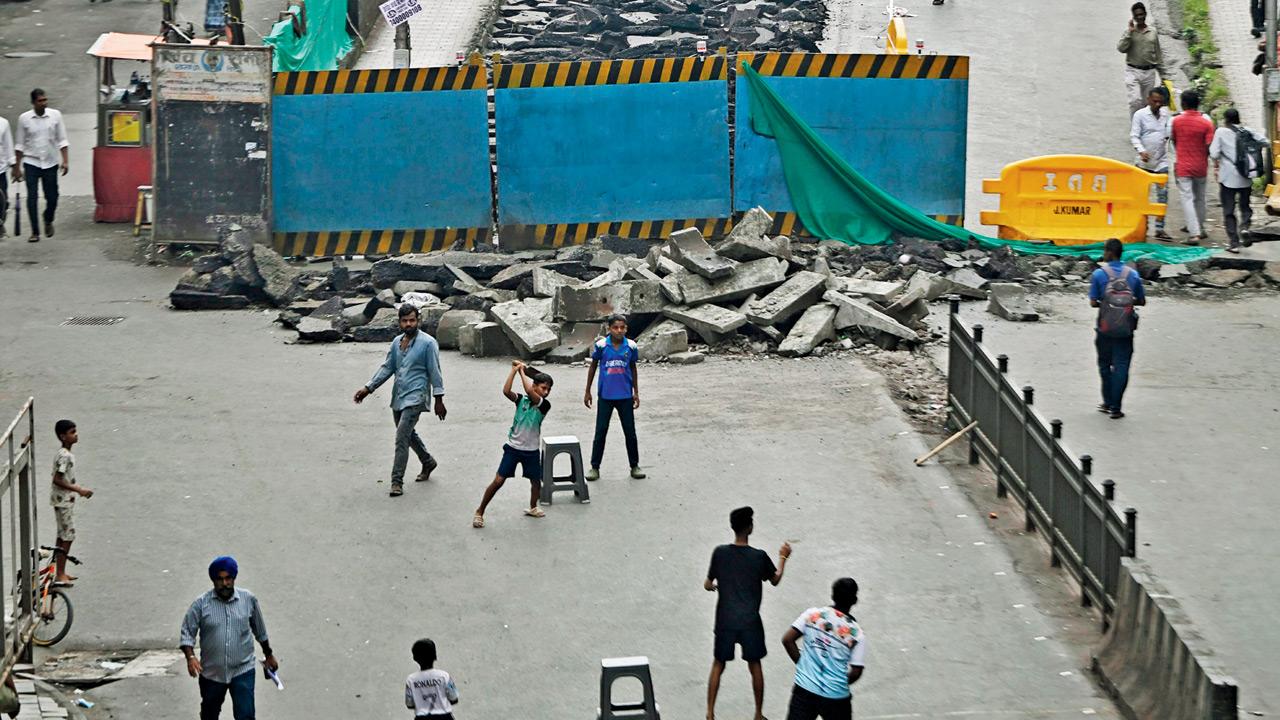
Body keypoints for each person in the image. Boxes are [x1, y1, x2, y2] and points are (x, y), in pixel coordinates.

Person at [705, 506, 792, 720]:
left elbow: (708, 584)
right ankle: (758, 714)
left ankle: (709, 713)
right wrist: (783, 557)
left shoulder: (720, 553)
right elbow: (775, 579)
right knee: (755, 665)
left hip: (725, 619)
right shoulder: (759, 557)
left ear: (732, 527)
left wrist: (716, 587)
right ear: (750, 528)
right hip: (750, 621)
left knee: (718, 664)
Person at [354, 304, 447, 497]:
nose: (408, 324)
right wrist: (368, 388)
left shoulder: (428, 343)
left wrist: (439, 399)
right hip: (399, 396)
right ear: (399, 322)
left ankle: (396, 482)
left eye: (412, 320)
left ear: (418, 321)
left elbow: (435, 371)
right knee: (407, 434)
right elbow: (388, 367)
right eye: (404, 321)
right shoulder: (397, 342)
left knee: (401, 438)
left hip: (416, 396)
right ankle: (428, 461)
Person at [180, 556, 279, 720]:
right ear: (213, 581)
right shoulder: (200, 604)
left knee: (245, 716)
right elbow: (186, 633)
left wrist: (268, 654)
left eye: (228, 578)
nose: (224, 583)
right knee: (209, 714)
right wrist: (190, 657)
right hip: (212, 673)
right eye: (220, 579)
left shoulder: (248, 600)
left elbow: (260, 630)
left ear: (234, 578)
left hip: (242, 670)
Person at [472, 362, 553, 528]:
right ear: (535, 385)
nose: (546, 392)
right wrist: (514, 371)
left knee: (536, 483)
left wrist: (521, 370)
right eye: (543, 388)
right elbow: (506, 391)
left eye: (548, 389)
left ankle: (532, 507)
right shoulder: (521, 400)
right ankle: (480, 511)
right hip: (513, 448)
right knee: (498, 481)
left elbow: (530, 391)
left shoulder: (544, 404)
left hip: (531, 451)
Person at [781, 578, 866, 720]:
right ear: (855, 600)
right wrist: (837, 682)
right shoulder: (856, 633)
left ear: (832, 596)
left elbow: (788, 640)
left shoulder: (813, 615)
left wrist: (803, 666)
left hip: (805, 689)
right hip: (836, 697)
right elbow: (856, 672)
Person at [1089, 239, 1146, 420]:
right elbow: (1142, 301)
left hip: (1105, 328)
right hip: (1125, 330)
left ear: (1109, 253)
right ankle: (1116, 407)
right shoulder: (1133, 275)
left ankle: (1107, 401)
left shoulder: (1099, 275)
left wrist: (1107, 303)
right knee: (1121, 366)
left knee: (1105, 365)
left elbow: (1092, 302)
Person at [584, 314, 644, 481]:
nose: (619, 331)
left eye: (622, 327)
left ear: (626, 329)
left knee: (630, 432)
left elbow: (633, 369)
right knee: (600, 432)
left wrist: (636, 392)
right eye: (615, 327)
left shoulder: (631, 346)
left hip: (625, 395)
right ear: (609, 329)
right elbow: (593, 366)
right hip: (606, 396)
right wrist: (587, 391)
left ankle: (634, 465)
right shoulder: (602, 345)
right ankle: (594, 467)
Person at [13, 89, 68, 243]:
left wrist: (65, 160)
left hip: (50, 163)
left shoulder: (55, 115)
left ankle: (48, 218)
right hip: (31, 162)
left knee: (53, 197)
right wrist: (16, 168)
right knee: (32, 197)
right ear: (33, 103)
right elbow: (19, 144)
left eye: (45, 100)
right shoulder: (24, 119)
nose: (44, 103)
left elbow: (62, 140)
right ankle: (35, 232)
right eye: (40, 101)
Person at [1210, 107, 1266, 252]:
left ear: (1226, 119)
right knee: (1245, 206)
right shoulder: (1246, 130)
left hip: (1227, 178)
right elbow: (1265, 142)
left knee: (1229, 210)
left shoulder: (1221, 132)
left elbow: (1214, 154)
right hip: (1246, 176)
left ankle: (1234, 243)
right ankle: (1245, 227)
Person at [1169, 90, 1216, 244]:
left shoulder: (1176, 121)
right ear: (1198, 104)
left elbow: (1174, 141)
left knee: (1187, 198)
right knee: (1200, 198)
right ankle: (1200, 228)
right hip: (1201, 165)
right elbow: (1209, 145)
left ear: (1183, 104)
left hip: (1183, 166)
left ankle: (1194, 233)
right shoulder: (1207, 123)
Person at [50, 420, 92, 585]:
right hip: (63, 502)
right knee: (68, 536)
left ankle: (58, 571)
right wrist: (78, 489)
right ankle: (60, 573)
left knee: (62, 535)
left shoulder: (66, 454)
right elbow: (57, 479)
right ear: (63, 436)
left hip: (64, 501)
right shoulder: (64, 456)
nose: (76, 435)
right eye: (72, 432)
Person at [1131, 86, 1172, 240]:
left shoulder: (1166, 115)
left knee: (1163, 195)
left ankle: (1160, 228)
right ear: (1148, 100)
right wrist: (1141, 150)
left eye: (1160, 102)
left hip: (1161, 161)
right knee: (1142, 196)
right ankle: (1142, 225)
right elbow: (1134, 136)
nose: (1157, 105)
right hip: (1143, 163)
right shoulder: (1140, 115)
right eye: (1154, 101)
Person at [1118, 3, 1167, 116]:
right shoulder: (1130, 32)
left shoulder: (1153, 32)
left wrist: (1163, 75)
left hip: (1149, 72)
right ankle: (1136, 125)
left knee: (1146, 102)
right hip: (1133, 71)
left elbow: (1158, 53)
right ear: (1133, 17)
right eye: (1136, 15)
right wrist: (1129, 33)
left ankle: (1144, 126)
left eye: (1141, 14)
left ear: (1145, 14)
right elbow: (1121, 48)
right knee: (1135, 101)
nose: (1139, 17)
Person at [405, 638, 460, 719]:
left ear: (415, 658)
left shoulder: (411, 680)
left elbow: (409, 704)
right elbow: (454, 698)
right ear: (434, 655)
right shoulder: (444, 676)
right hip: (444, 717)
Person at [0, 114, 12, 239]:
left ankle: (0, 221)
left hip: (1, 170)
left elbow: (8, 146)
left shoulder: (3, 123)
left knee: (3, 199)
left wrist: (14, 165)